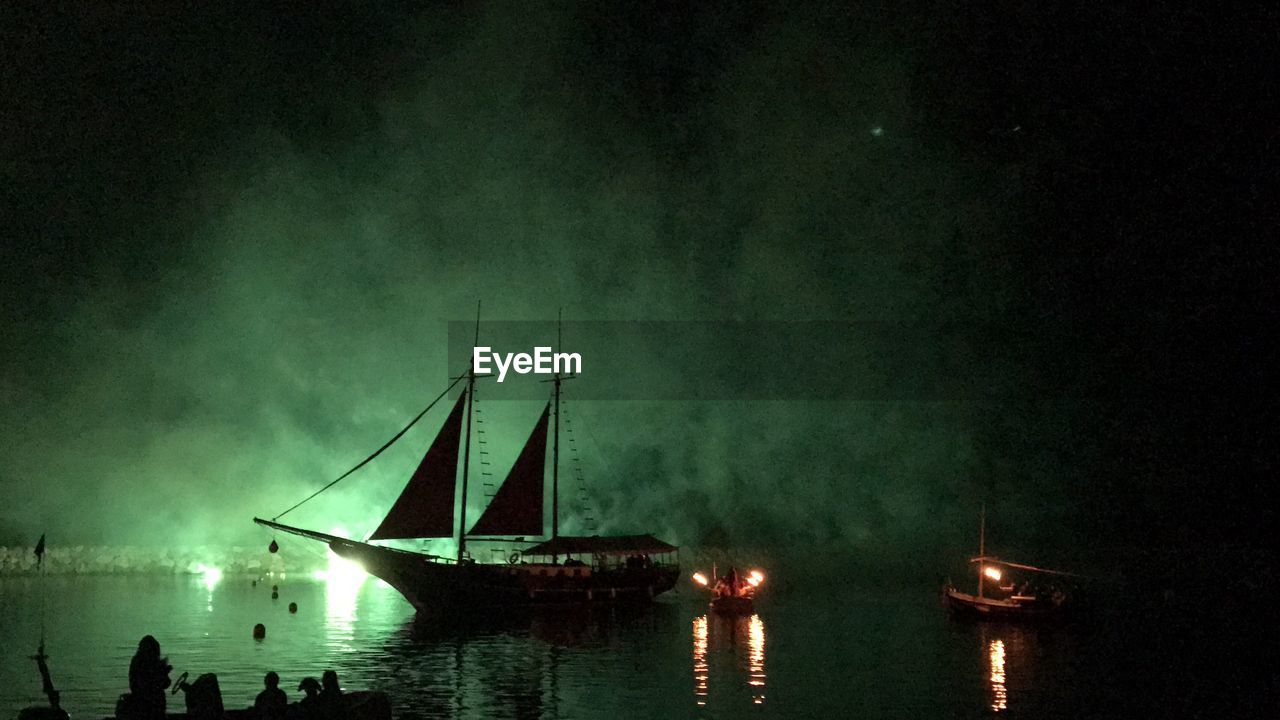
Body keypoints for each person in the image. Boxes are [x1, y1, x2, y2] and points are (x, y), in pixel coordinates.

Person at [128, 635, 172, 720]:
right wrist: (163, 673)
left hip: (141, 703)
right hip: (151, 705)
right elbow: (164, 684)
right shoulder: (151, 664)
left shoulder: (136, 662)